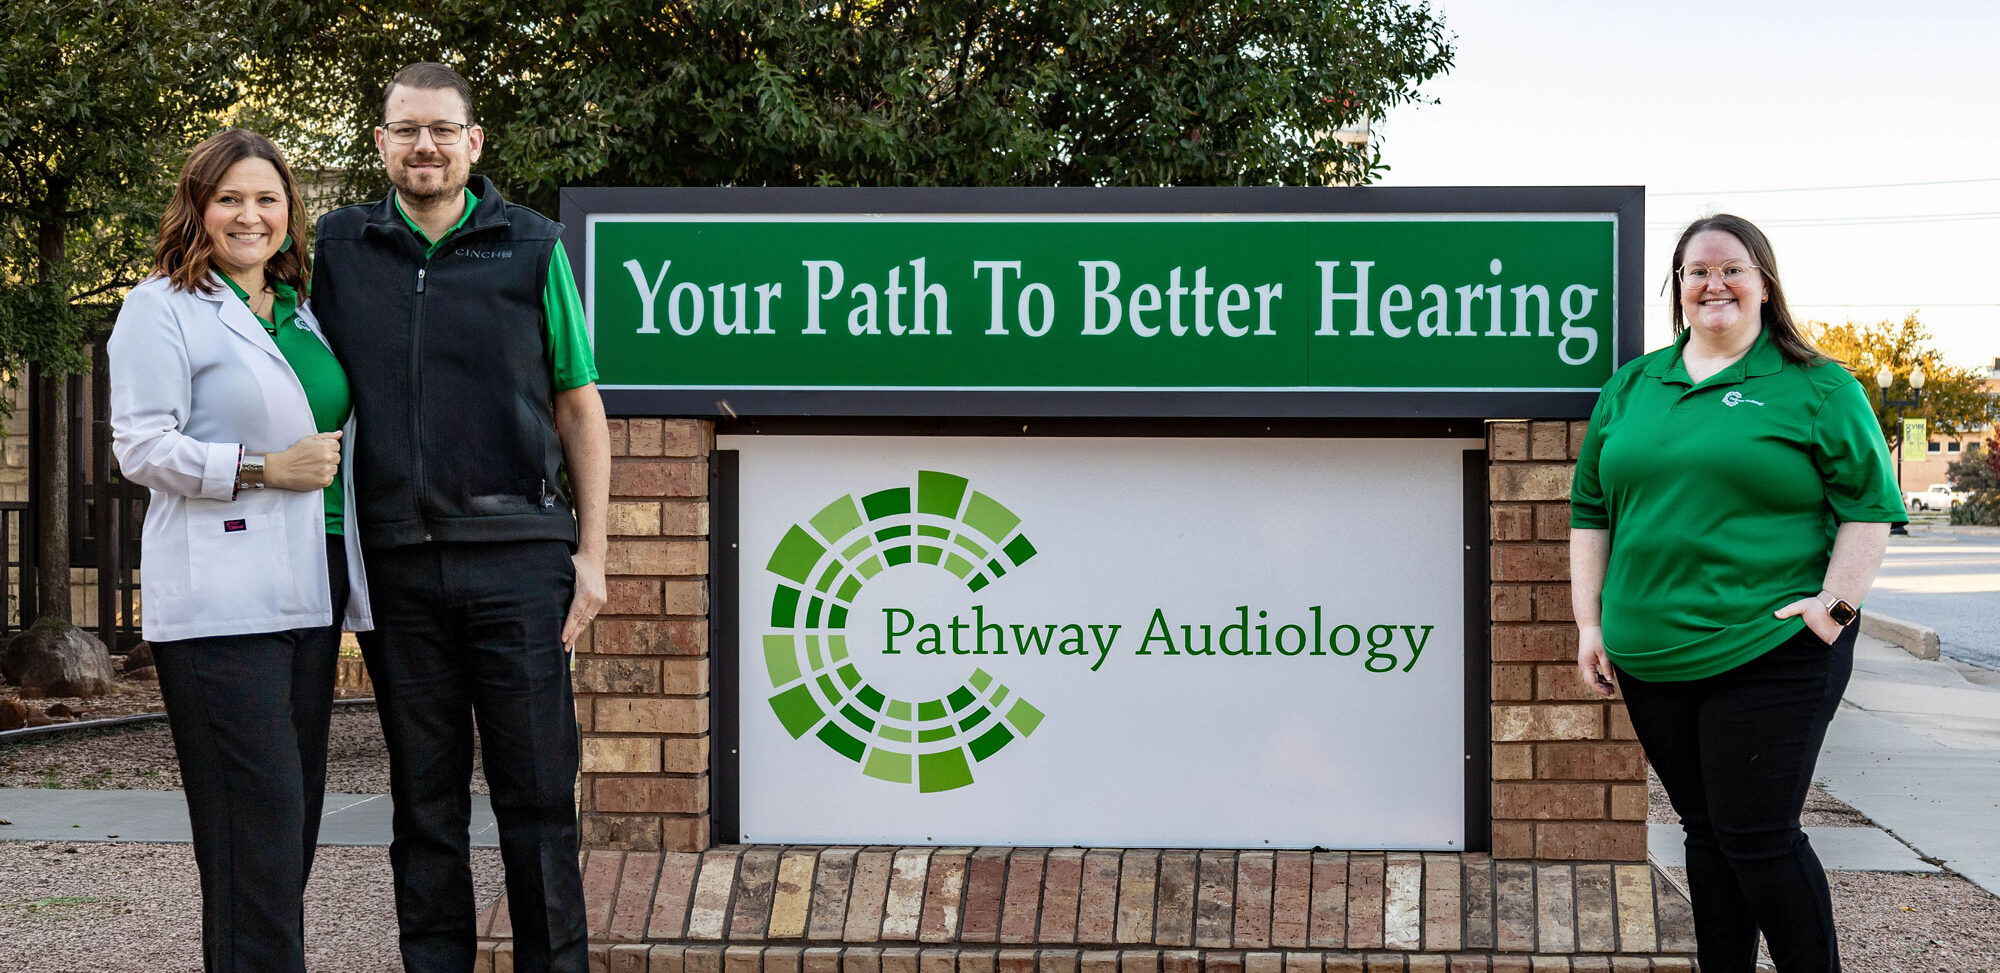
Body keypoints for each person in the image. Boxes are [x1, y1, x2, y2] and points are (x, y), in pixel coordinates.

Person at [309, 62, 609, 973]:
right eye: (407, 130)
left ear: (474, 143)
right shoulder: (341, 247)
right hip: (400, 566)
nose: (425, 146)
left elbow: (579, 402)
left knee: (537, 803)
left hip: (521, 562)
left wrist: (591, 553)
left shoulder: (531, 245)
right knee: (424, 807)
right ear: (381, 143)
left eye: (443, 129)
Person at [1570, 213, 1904, 973]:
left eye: (1732, 269)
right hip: (1651, 654)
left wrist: (1835, 609)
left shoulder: (1816, 385)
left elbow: (1870, 506)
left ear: (1764, 283)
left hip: (1772, 647)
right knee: (1705, 830)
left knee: (1759, 836)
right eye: (1696, 271)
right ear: (1678, 288)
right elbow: (1590, 510)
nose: (1713, 283)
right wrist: (1592, 622)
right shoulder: (1633, 385)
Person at [108, 128, 372, 973]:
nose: (249, 215)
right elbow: (139, 445)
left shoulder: (305, 312)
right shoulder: (161, 304)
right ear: (198, 208)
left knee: (287, 828)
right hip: (220, 601)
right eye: (229, 198)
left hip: (309, 589)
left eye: (267, 198)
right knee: (251, 832)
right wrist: (263, 468)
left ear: (291, 215)